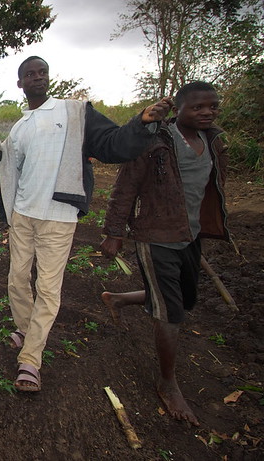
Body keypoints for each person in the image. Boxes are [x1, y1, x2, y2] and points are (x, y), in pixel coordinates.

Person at [0, 56, 171, 392]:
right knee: (17, 279)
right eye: (29, 75)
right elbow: (4, 169)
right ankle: (26, 329)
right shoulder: (21, 126)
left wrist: (142, 121)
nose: (37, 78)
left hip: (59, 216)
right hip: (22, 213)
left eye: (42, 72)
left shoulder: (74, 112)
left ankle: (30, 360)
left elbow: (112, 143)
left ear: (47, 78)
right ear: (20, 83)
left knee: (48, 289)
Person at [100, 82, 229, 426]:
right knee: (170, 311)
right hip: (155, 235)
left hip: (190, 236)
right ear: (179, 110)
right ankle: (168, 383)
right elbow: (124, 186)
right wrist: (114, 232)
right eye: (198, 107)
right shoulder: (155, 141)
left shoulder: (213, 141)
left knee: (184, 299)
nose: (206, 113)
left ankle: (119, 298)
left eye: (212, 107)